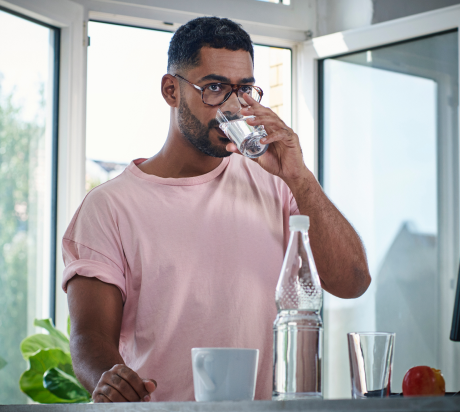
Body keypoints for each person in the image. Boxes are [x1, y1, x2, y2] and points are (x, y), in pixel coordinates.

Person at [63, 16, 371, 403]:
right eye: (214, 87)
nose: (232, 105)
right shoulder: (109, 206)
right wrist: (112, 383)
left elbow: (353, 281)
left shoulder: (278, 184)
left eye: (243, 90)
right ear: (171, 90)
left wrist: (300, 176)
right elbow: (89, 337)